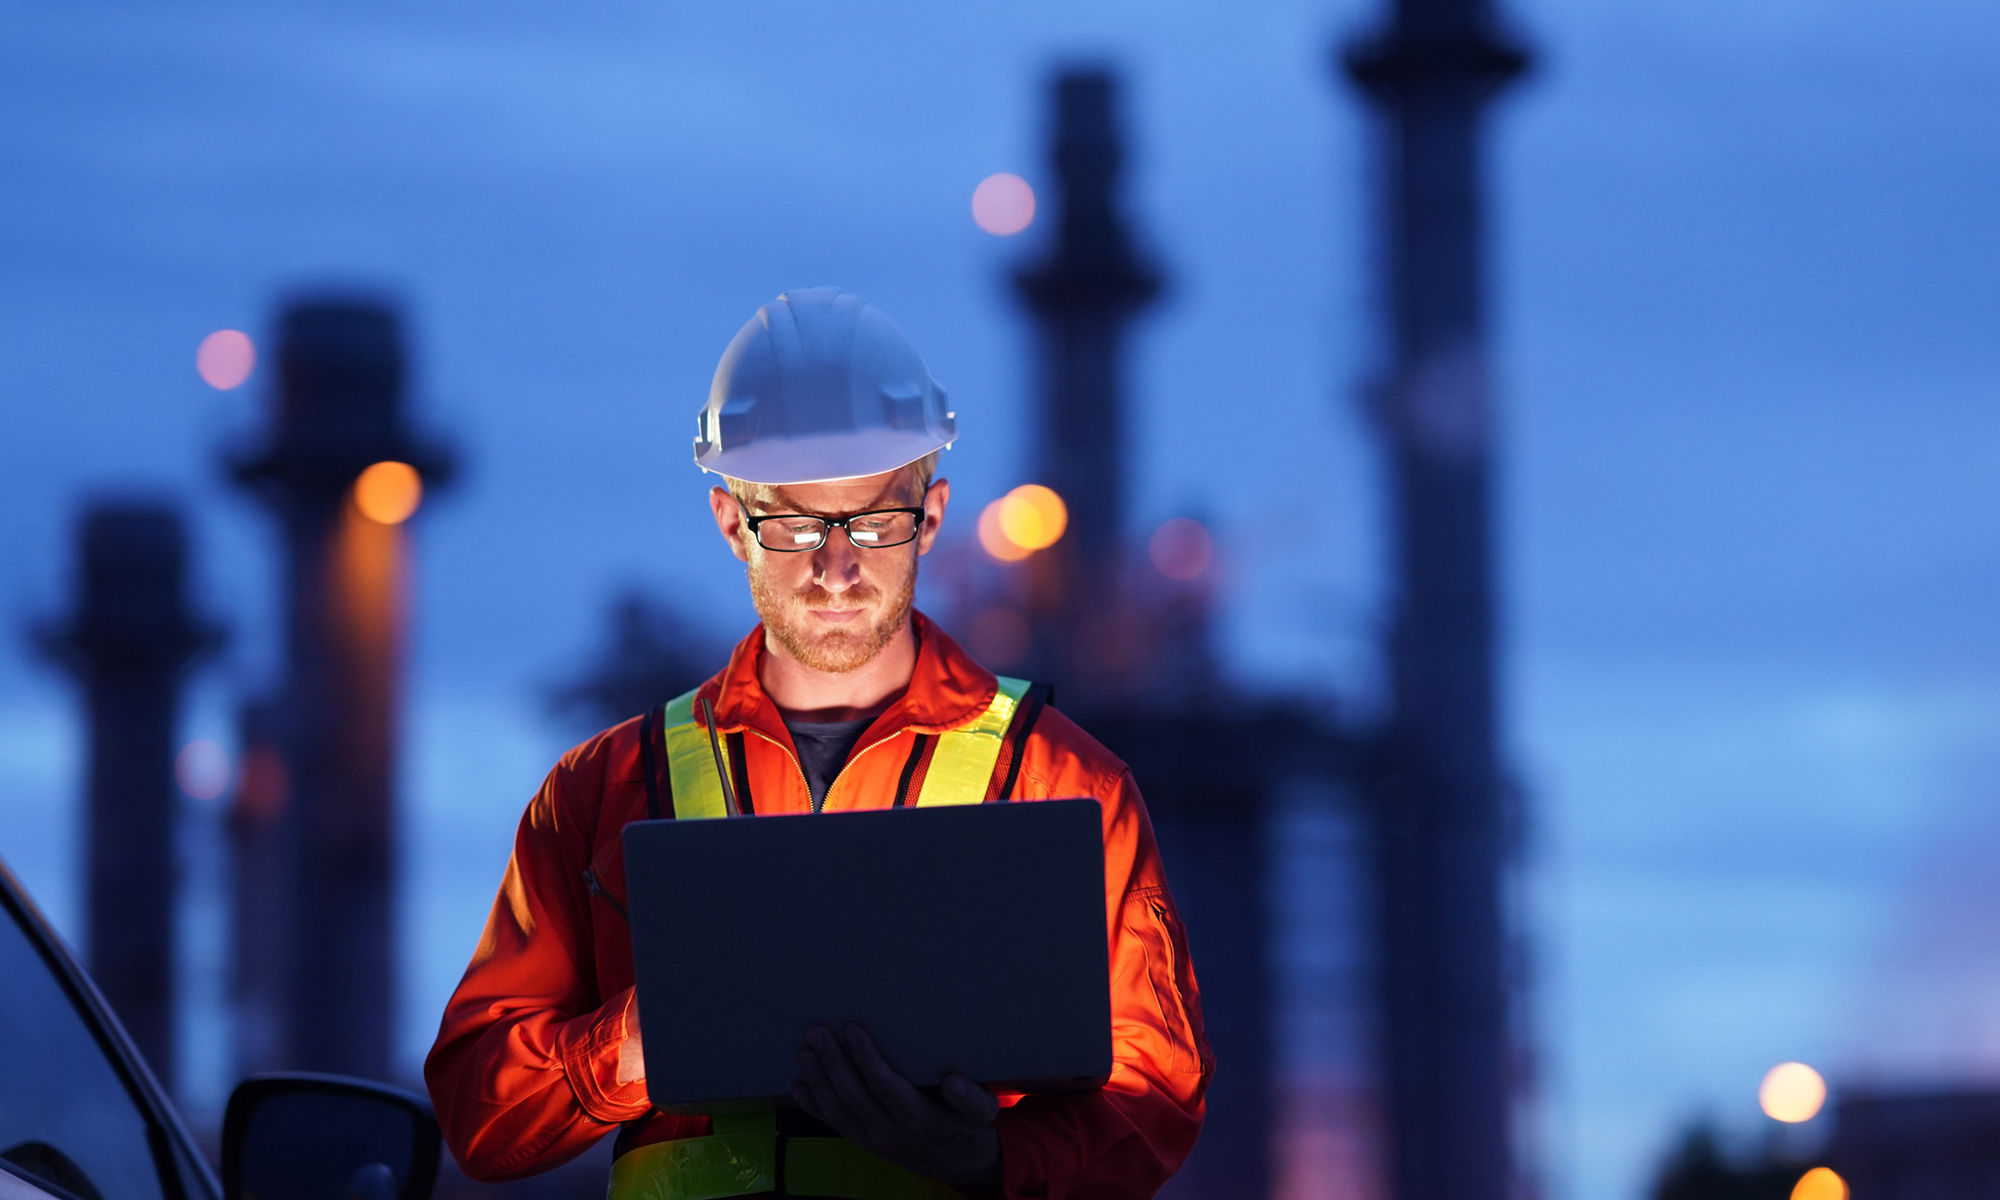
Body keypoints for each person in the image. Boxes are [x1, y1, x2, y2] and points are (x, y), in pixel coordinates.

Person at [424, 288, 1213, 1200]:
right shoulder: (605, 790)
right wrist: (634, 1045)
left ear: (932, 517)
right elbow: (478, 1111)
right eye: (796, 525)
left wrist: (989, 1159)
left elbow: (1157, 1095)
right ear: (732, 525)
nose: (837, 568)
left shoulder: (1062, 782)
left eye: (875, 524)